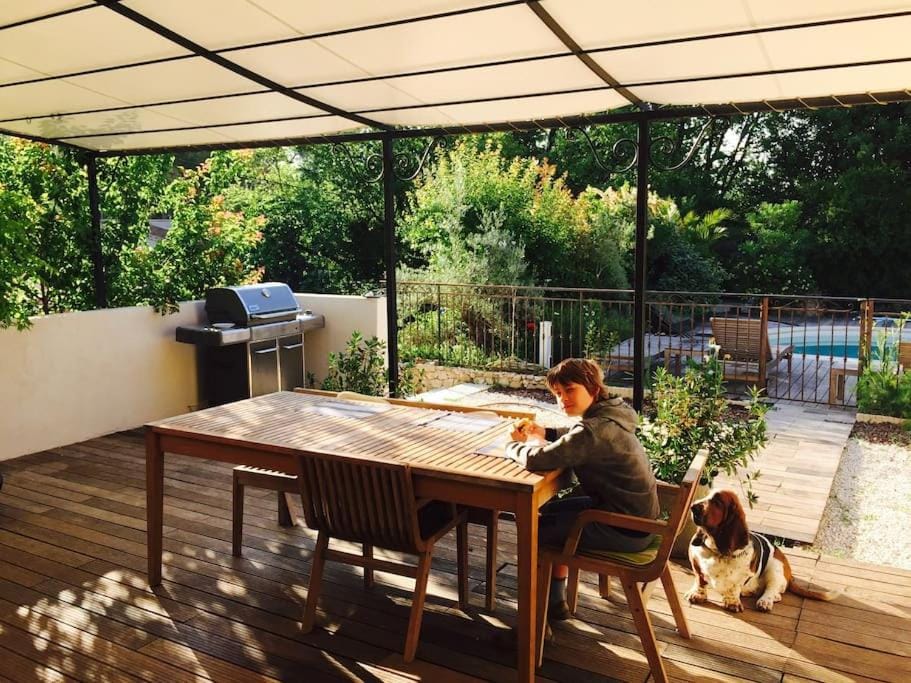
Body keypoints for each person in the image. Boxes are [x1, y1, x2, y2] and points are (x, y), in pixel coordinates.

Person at [506, 358, 659, 621]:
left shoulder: (593, 431)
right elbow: (578, 435)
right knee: (549, 510)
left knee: (534, 530)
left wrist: (511, 447)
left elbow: (536, 460)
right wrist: (547, 432)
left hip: (622, 528)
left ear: (593, 388)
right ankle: (555, 602)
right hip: (639, 521)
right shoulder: (612, 414)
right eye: (557, 394)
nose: (562, 399)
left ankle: (532, 624)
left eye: (570, 390)